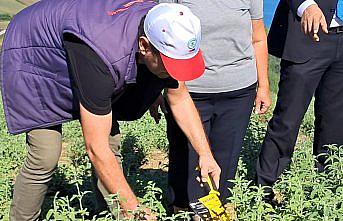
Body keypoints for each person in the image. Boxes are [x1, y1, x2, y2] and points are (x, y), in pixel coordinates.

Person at [0, 1, 221, 220]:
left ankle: (108, 214)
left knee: (111, 141)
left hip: (83, 44)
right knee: (45, 154)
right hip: (34, 56)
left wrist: (206, 155)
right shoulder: (100, 52)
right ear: (144, 46)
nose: (174, 72)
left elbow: (179, 96)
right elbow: (96, 147)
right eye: (169, 64)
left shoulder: (164, 27)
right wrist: (133, 207)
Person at [152, 0, 270, 217]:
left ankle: (215, 210)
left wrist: (263, 86)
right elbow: (159, 38)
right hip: (188, 91)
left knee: (226, 157)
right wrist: (154, 89)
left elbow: (258, 38)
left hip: (239, 89)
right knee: (185, 156)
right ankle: (182, 210)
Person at [256, 0, 343, 202]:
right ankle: (263, 191)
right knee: (287, 120)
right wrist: (307, 6)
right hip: (309, 34)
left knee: (335, 122)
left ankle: (326, 191)